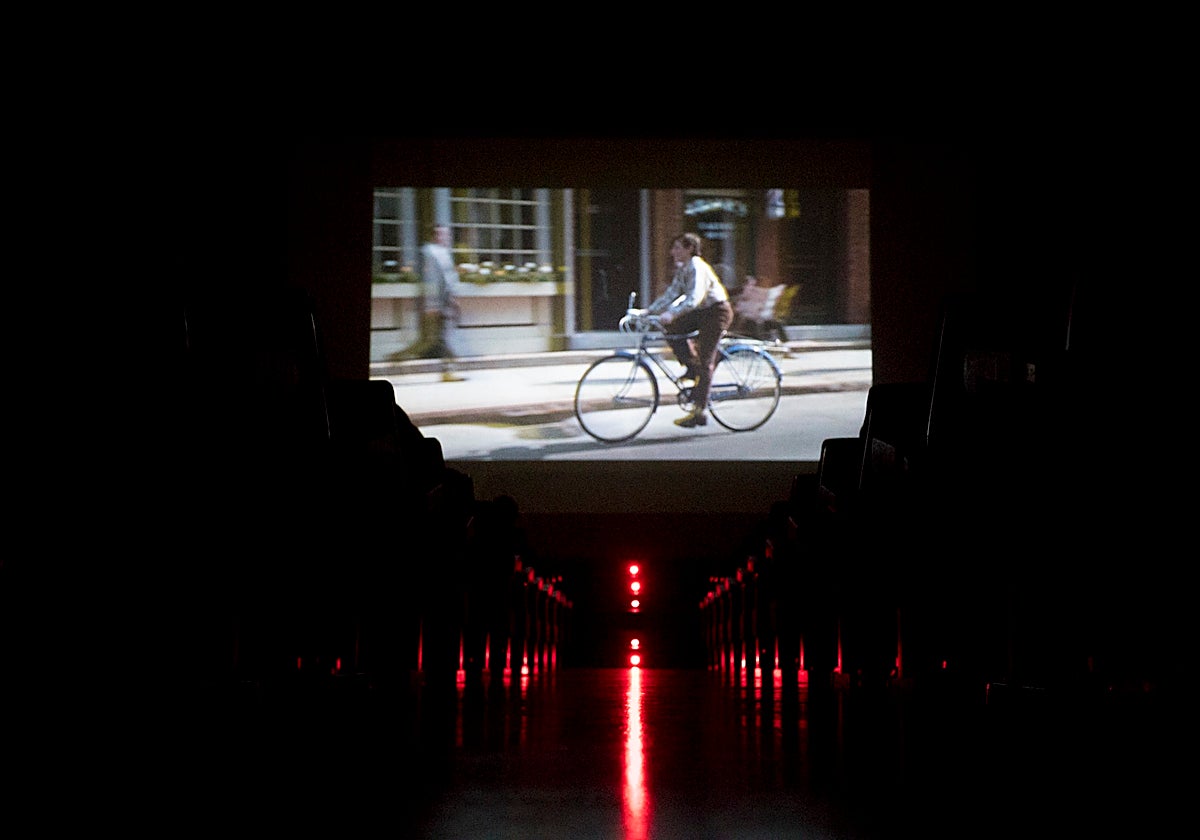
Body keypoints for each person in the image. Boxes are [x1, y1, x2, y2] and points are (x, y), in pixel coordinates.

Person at [638, 232, 733, 428]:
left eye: (677, 248)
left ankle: (699, 412)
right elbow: (671, 294)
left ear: (689, 249)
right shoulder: (684, 269)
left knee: (706, 360)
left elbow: (695, 298)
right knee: (671, 328)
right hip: (701, 312)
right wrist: (648, 311)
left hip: (716, 313)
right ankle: (692, 369)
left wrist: (672, 313)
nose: (673, 252)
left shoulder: (697, 267)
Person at [397, 223, 465, 381]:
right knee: (432, 341)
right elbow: (430, 280)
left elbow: (448, 280)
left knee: (439, 339)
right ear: (435, 236)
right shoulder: (430, 253)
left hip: (445, 303)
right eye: (441, 234)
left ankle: (447, 371)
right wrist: (431, 304)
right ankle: (398, 357)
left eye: (447, 234)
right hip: (436, 305)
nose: (446, 237)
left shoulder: (443, 253)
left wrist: (453, 299)